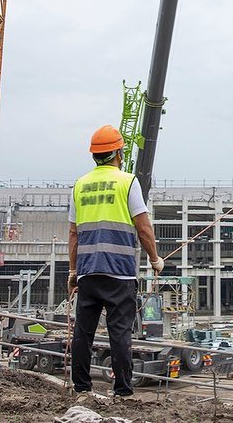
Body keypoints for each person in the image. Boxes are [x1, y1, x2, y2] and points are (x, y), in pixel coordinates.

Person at [68, 125, 163, 399]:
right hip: (119, 273)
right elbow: (143, 227)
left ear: (94, 155)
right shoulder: (128, 182)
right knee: (119, 333)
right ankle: (122, 390)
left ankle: (81, 388)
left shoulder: (80, 185)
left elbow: (73, 233)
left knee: (83, 332)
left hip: (88, 272)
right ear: (119, 152)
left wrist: (73, 271)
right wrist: (155, 260)